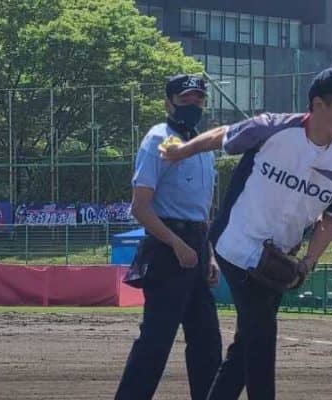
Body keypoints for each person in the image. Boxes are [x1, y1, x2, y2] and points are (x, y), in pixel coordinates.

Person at [162, 67, 332, 400]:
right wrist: (181, 151)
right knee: (261, 338)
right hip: (235, 243)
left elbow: (331, 220)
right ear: (319, 104)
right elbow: (223, 134)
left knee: (246, 345)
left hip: (276, 262)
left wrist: (307, 263)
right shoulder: (274, 128)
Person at [115, 74, 222, 400]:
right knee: (156, 340)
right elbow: (140, 207)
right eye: (185, 99)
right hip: (167, 247)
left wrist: (209, 253)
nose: (193, 105)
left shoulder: (203, 147)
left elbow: (203, 211)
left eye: (198, 99)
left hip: (197, 246)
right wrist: (176, 244)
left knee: (207, 340)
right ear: (168, 103)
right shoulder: (158, 140)